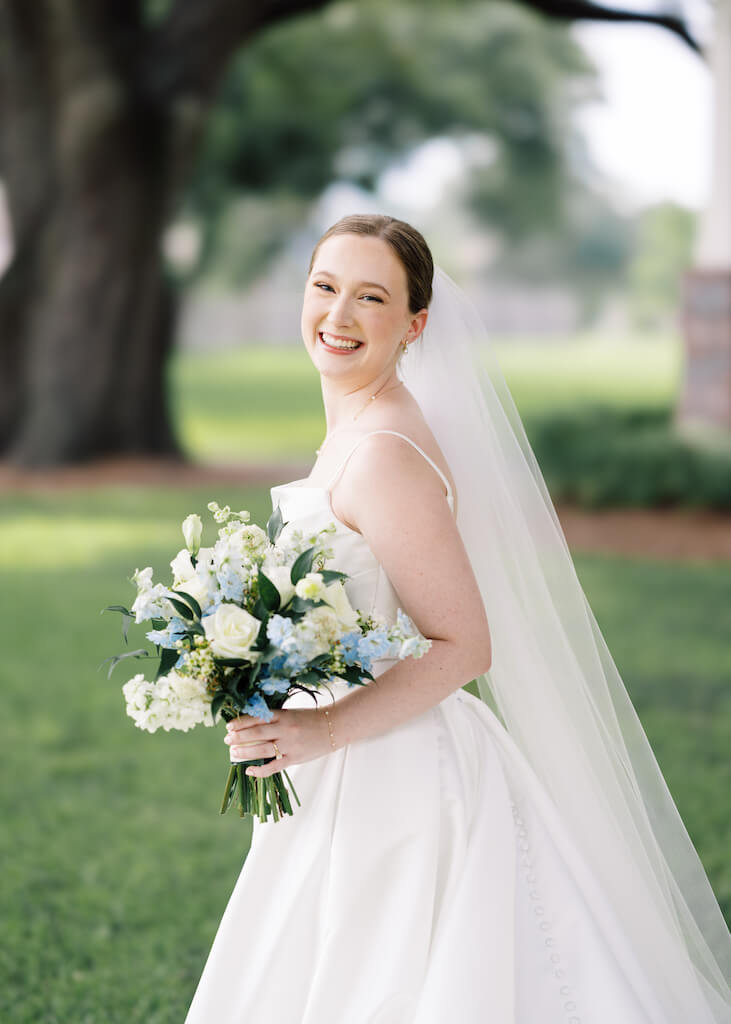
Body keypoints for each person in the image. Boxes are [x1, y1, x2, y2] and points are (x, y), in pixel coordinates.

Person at [184, 214, 731, 1023]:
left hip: (391, 774)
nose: (336, 317)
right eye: (324, 287)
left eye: (369, 298)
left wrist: (320, 731)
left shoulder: (381, 456)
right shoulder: (357, 430)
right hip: (338, 755)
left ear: (414, 325)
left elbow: (464, 644)